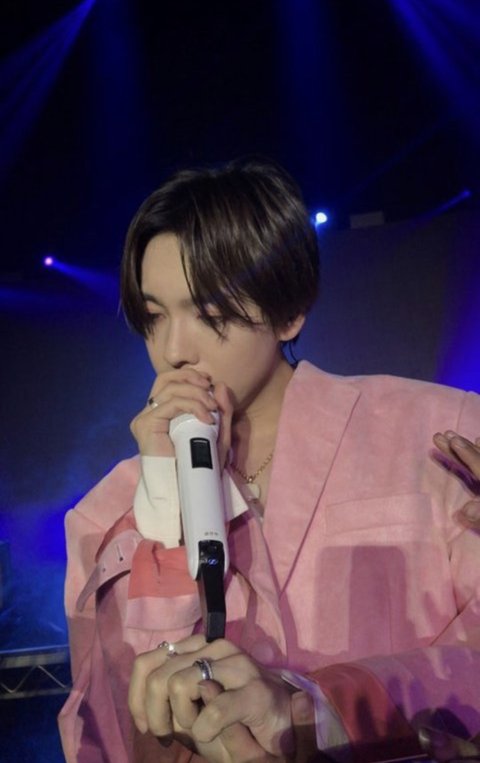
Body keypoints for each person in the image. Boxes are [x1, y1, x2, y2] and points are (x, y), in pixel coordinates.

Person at [58, 159, 480, 763]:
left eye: (210, 315)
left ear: (289, 312)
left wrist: (312, 711)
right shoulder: (109, 514)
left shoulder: (438, 432)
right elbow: (107, 729)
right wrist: (165, 507)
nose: (173, 351)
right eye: (154, 317)